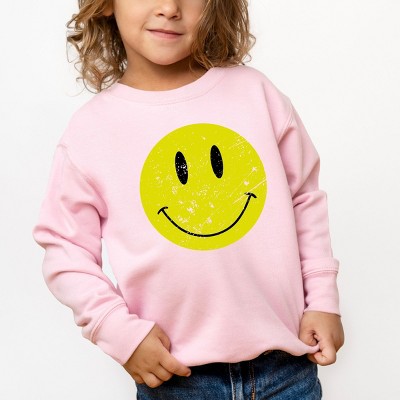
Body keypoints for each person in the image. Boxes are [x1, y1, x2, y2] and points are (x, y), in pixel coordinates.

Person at [33, 0, 344, 398]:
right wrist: (116, 329)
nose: (169, 7)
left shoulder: (255, 94)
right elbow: (65, 249)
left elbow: (303, 198)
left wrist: (322, 298)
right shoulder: (90, 131)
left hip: (287, 369)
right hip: (177, 380)